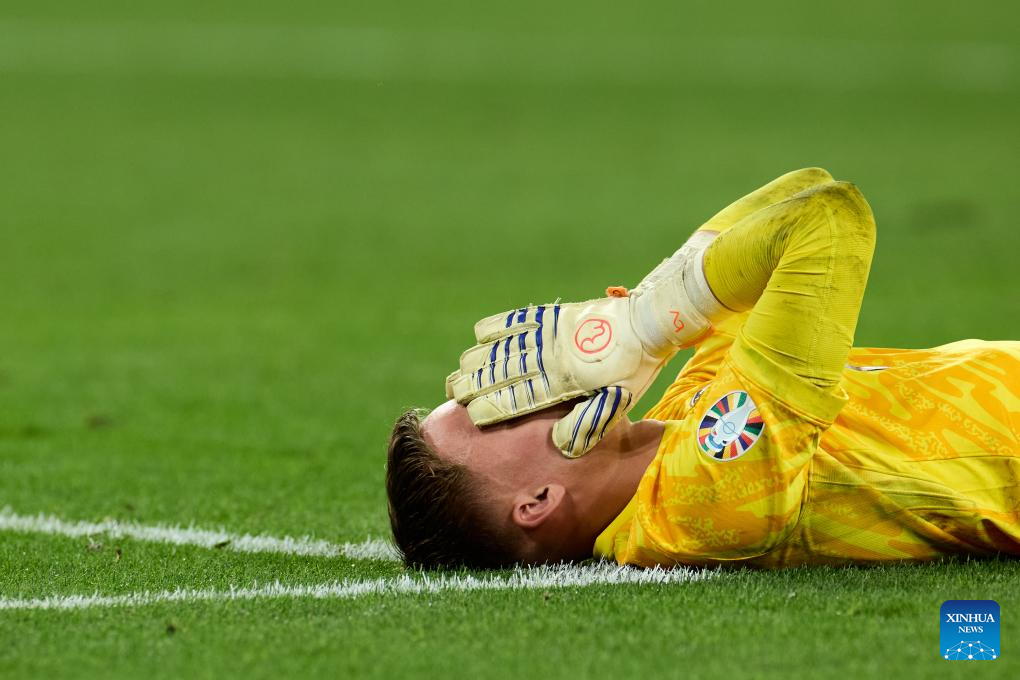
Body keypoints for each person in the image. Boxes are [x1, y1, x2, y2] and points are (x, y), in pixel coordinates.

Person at [386, 168, 1020, 569]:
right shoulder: (704, 500)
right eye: (491, 413)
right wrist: (645, 322)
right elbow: (827, 221)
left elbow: (800, 187)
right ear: (538, 502)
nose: (510, 386)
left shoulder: (678, 419)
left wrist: (642, 322)